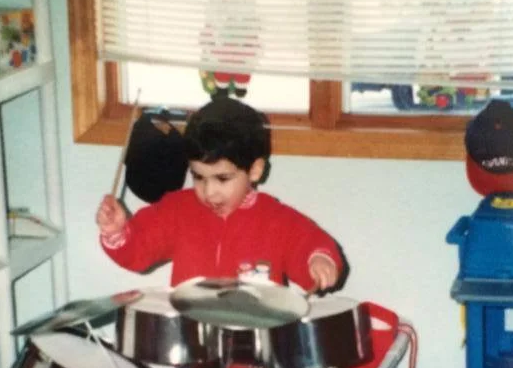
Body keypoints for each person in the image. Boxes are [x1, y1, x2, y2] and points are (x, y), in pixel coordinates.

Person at [95, 98, 344, 293]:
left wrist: (320, 260)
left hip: (257, 344)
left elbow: (310, 243)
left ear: (255, 170)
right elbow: (139, 250)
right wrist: (117, 231)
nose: (209, 191)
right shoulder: (177, 211)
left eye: (222, 179)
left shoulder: (276, 219)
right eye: (198, 177)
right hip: (193, 340)